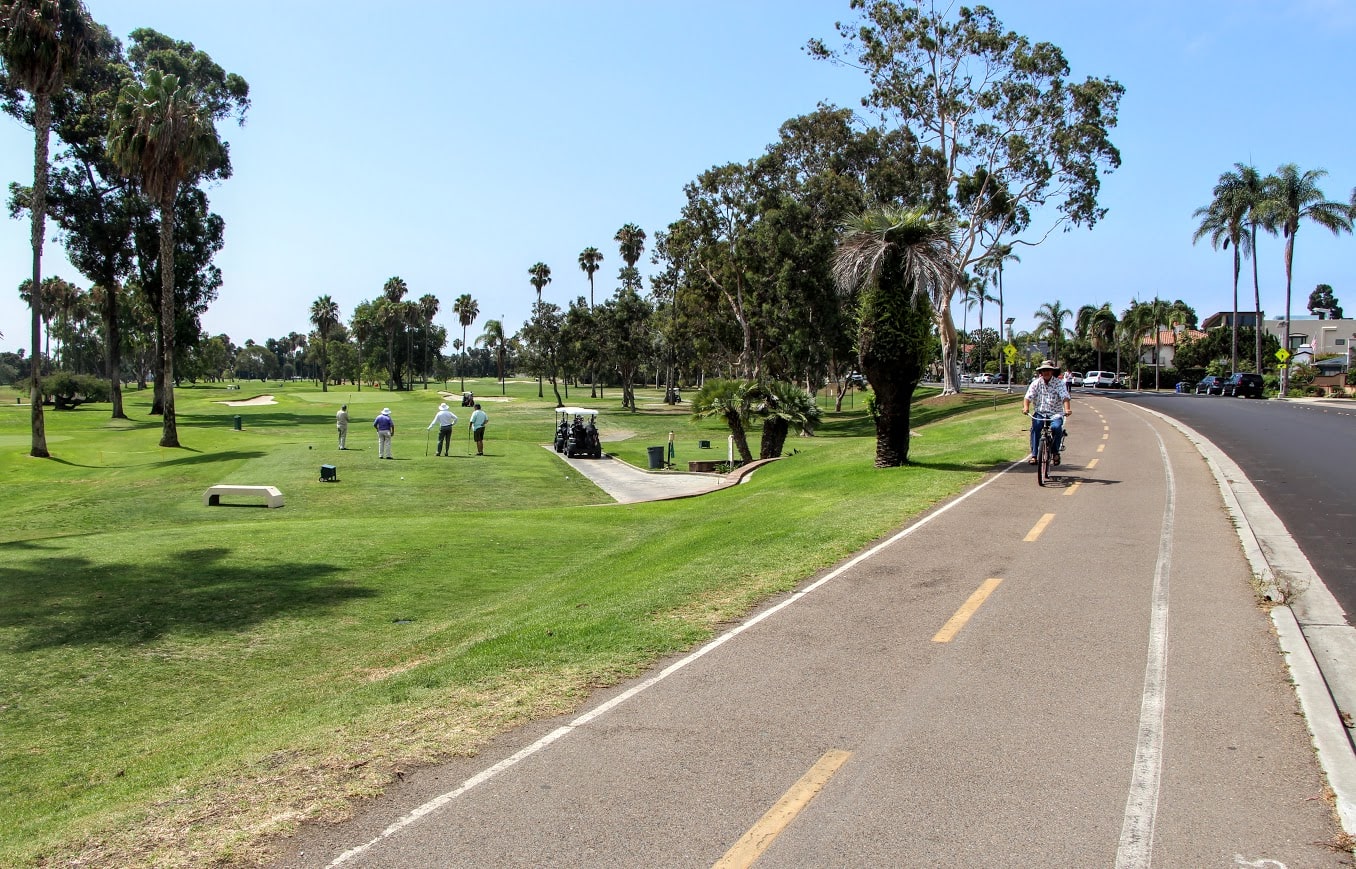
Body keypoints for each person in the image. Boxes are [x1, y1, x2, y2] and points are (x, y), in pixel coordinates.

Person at [1022, 360, 1072, 465]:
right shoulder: (1036, 383)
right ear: (1041, 372)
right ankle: (1034, 455)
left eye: (1048, 370)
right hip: (1040, 412)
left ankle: (1055, 452)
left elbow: (1065, 397)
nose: (1046, 372)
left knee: (1056, 428)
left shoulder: (1059, 383)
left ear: (1052, 371)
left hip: (1055, 413)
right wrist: (1026, 407)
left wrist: (1067, 409)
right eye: (1044, 370)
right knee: (1036, 427)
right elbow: (1028, 397)